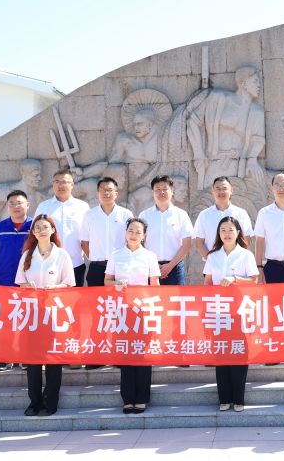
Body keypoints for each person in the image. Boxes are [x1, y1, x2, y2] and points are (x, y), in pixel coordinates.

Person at [15, 214, 75, 416]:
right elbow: (20, 282)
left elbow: (69, 282)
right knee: (33, 360)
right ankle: (34, 402)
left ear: (52, 230)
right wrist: (28, 286)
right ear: (33, 232)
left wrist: (55, 288)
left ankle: (51, 401)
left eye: (45, 227)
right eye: (38, 227)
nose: (41, 230)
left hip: (54, 314)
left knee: (52, 359)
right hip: (32, 314)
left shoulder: (62, 255)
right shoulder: (27, 255)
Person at [105, 218, 161, 414]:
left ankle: (142, 398)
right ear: (125, 232)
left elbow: (155, 285)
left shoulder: (150, 256)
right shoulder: (116, 255)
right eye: (131, 230)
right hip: (122, 310)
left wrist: (156, 307)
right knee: (126, 353)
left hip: (143, 310)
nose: (134, 234)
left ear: (144, 236)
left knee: (142, 354)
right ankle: (128, 398)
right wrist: (116, 284)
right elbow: (107, 281)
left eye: (138, 232)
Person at [203, 216, 258, 412]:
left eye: (230, 230)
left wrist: (235, 279)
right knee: (221, 352)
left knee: (239, 352)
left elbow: (254, 280)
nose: (227, 234)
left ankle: (239, 399)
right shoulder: (212, 256)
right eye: (223, 230)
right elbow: (207, 283)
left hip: (239, 310)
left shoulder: (246, 255)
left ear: (238, 233)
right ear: (218, 234)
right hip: (218, 311)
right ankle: (224, 398)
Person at [0, 189, 33, 372]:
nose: (15, 206)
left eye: (19, 203)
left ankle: (25, 356)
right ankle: (4, 357)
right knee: (5, 320)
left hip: (28, 281)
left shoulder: (34, 227)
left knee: (27, 320)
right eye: (12, 203)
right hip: (5, 281)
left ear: (27, 205)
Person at [35, 168, 90, 287]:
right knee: (50, 297)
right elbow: (34, 234)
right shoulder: (43, 207)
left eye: (64, 182)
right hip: (49, 264)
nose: (61, 185)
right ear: (53, 185)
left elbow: (88, 235)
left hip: (75, 264)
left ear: (72, 185)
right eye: (57, 182)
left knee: (74, 298)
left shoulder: (82, 207)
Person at [138, 175, 193, 285]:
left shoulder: (181, 215)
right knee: (149, 296)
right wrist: (153, 265)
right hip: (149, 267)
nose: (161, 192)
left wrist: (170, 266)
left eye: (165, 189)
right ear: (153, 192)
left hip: (175, 268)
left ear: (172, 191)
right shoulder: (144, 215)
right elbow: (138, 243)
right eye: (157, 189)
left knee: (176, 296)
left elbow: (187, 244)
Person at [80, 177, 133, 287]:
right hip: (96, 268)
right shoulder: (89, 215)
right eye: (102, 190)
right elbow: (84, 242)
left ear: (116, 194)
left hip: (120, 267)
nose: (106, 193)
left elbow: (132, 241)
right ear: (97, 193)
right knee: (96, 297)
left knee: (120, 297)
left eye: (109, 190)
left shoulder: (126, 214)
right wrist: (95, 257)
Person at [194, 176, 254, 262]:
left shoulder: (241, 213)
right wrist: (212, 261)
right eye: (218, 188)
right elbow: (199, 243)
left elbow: (246, 240)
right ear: (212, 191)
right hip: (212, 264)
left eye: (224, 188)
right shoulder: (204, 215)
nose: (221, 192)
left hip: (236, 264)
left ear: (231, 190)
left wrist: (236, 260)